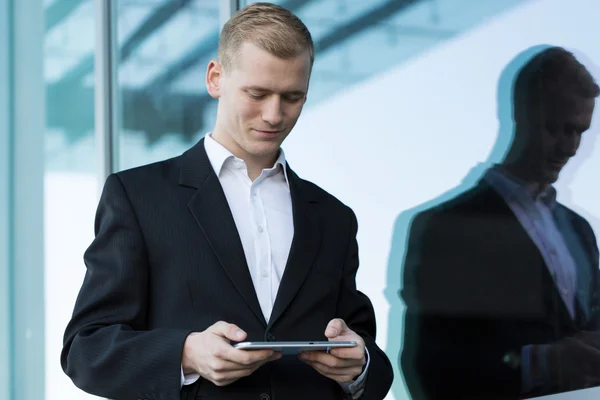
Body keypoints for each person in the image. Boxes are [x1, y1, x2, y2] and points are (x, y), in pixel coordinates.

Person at [61, 3, 393, 400]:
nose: (274, 115)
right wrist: (186, 354)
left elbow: (366, 351)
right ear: (215, 78)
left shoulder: (334, 218)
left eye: (292, 97)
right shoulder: (138, 197)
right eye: (257, 93)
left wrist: (359, 366)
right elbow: (85, 349)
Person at [401, 46, 600, 399]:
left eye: (579, 131)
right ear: (522, 112)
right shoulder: (445, 228)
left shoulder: (579, 231)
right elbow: (428, 367)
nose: (569, 146)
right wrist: (543, 363)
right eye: (555, 128)